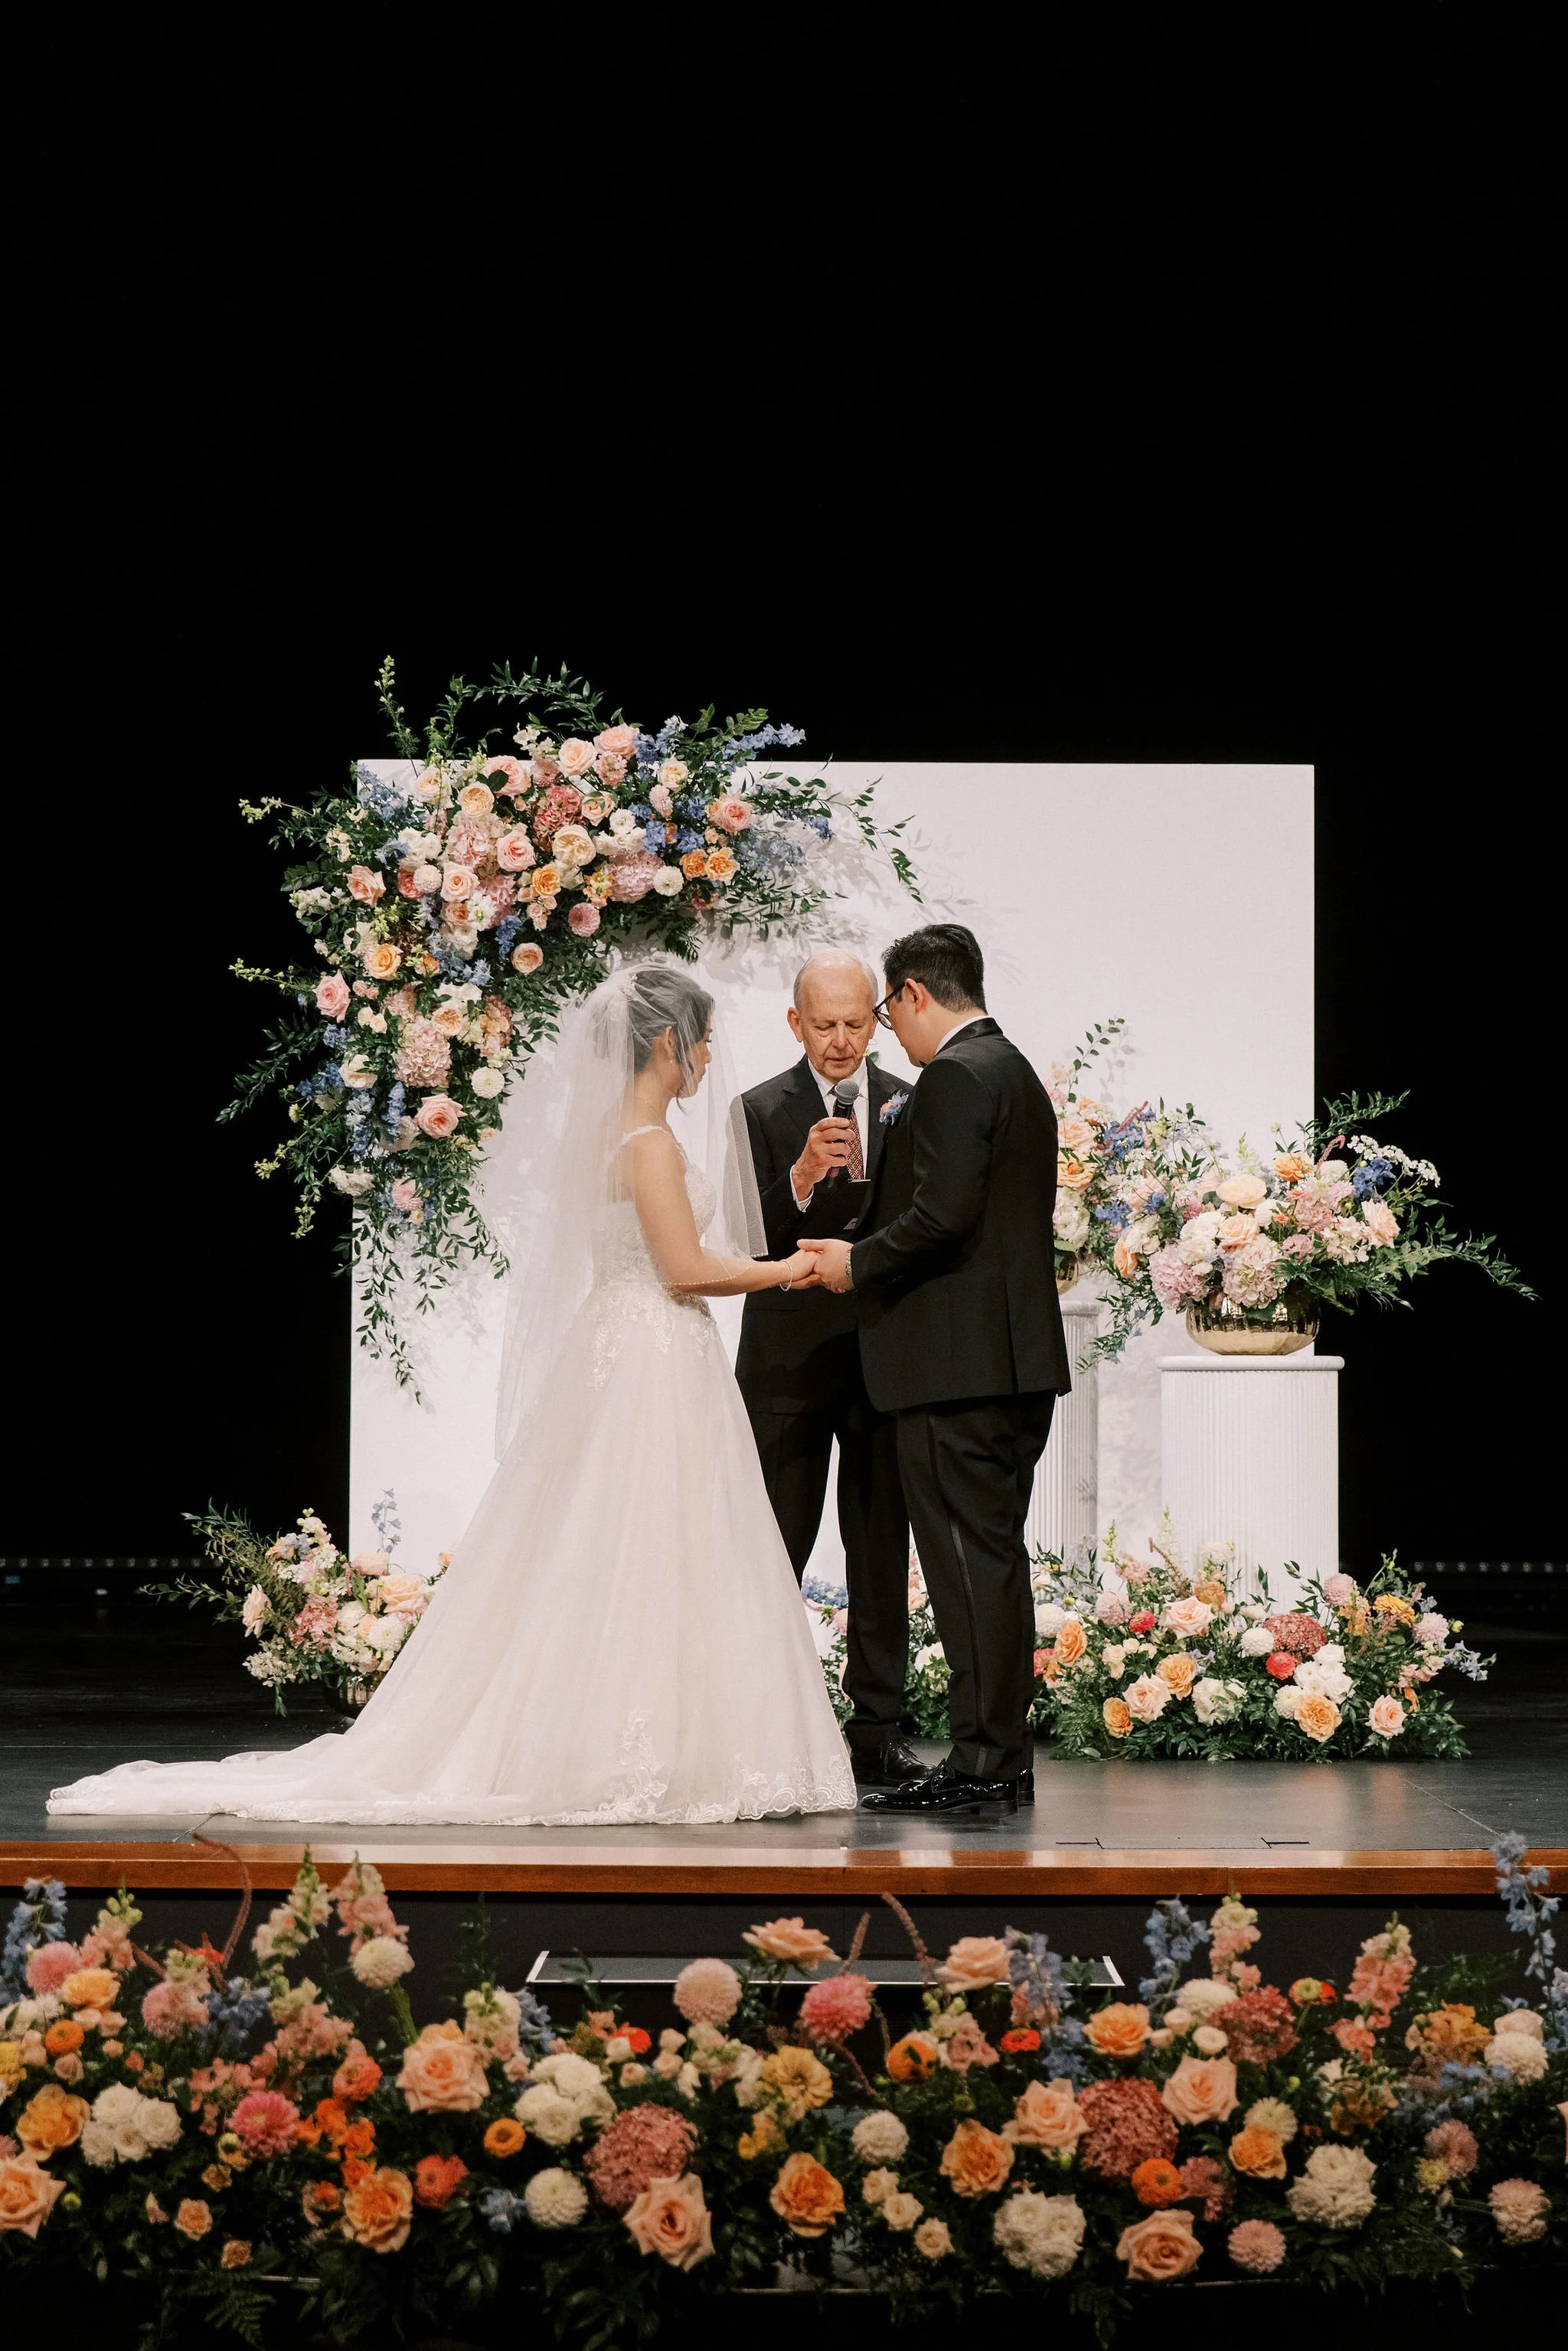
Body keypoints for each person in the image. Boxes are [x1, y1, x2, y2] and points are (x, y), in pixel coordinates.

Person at [50, 965, 856, 1827]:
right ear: (666, 1043)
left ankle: (638, 1735)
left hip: (633, 1349)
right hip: (653, 1355)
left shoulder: (612, 1137)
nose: (704, 1058)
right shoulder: (650, 1143)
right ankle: (651, 1745)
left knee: (630, 1545)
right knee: (651, 1540)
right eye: (698, 1041)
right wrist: (795, 1269)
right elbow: (686, 1267)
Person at [802, 923, 1070, 1814]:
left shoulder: (955, 1075)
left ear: (914, 994)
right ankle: (998, 1754)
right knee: (988, 1562)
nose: (890, 1033)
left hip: (958, 1372)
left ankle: (984, 1761)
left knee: (966, 1566)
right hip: (1004, 1365)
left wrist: (856, 1261)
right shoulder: (1014, 1070)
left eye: (886, 1011)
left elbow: (942, 1215)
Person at [734, 951, 918, 1789]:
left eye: (855, 1023)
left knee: (879, 1547)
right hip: (785, 1360)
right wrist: (801, 1177)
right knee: (773, 1544)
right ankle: (765, 1720)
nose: (841, 1041)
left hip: (883, 1357)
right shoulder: (758, 1109)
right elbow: (740, 1240)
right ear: (794, 1023)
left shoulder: (912, 1105)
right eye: (824, 1025)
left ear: (876, 1019)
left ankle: (877, 1726)